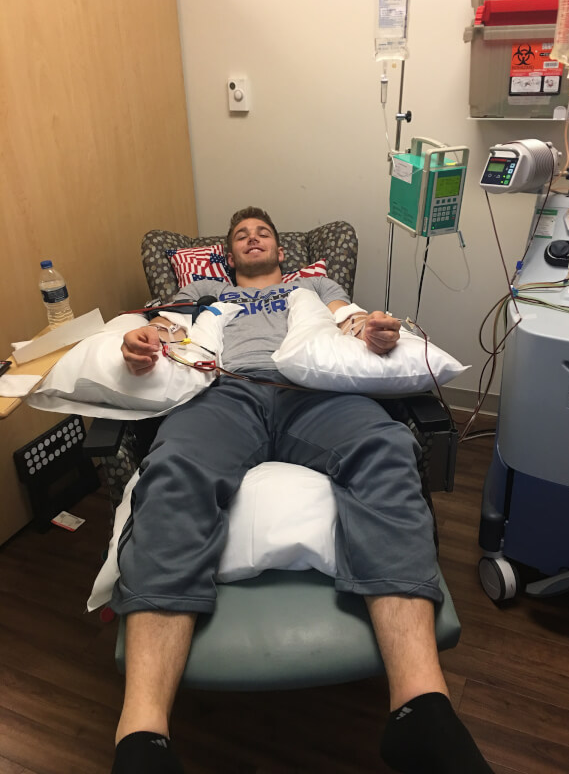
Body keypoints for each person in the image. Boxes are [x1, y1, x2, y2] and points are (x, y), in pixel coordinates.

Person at [111, 207, 493, 774]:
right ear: (228, 254)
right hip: (227, 394)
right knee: (173, 469)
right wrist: (139, 341)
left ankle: (422, 710)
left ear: (281, 249)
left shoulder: (313, 284)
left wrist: (376, 331)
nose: (252, 239)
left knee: (387, 449)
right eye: (241, 235)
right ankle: (142, 736)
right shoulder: (206, 287)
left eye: (262, 232)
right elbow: (169, 328)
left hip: (313, 393)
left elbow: (349, 321)